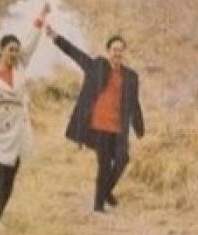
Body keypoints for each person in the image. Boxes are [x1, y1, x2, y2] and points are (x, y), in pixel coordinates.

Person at [46, 27, 145, 213]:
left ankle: (106, 192)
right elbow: (75, 54)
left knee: (123, 159)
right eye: (114, 49)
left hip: (118, 127)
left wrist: (139, 127)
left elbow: (134, 103)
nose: (117, 53)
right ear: (108, 51)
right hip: (99, 125)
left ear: (124, 52)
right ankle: (99, 206)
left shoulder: (131, 77)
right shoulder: (97, 66)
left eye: (120, 50)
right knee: (105, 164)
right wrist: (55, 37)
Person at [0, 3, 50, 230]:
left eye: (16, 50)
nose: (14, 54)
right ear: (1, 50)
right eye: (10, 50)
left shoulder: (19, 66)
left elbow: (31, 41)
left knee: (10, 174)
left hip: (18, 128)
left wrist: (42, 15)